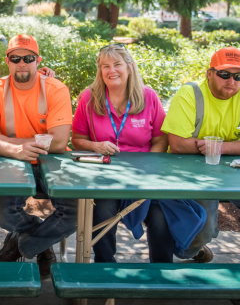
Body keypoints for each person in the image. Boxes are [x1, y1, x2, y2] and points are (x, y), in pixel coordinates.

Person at [71, 45, 205, 263]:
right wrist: (96, 146)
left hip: (144, 177)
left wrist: (148, 169)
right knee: (102, 209)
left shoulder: (148, 96)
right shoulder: (88, 98)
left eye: (117, 64)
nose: (111, 70)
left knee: (161, 216)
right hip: (105, 175)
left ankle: (160, 273)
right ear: (100, 71)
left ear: (130, 67)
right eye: (105, 66)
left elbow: (161, 139)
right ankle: (104, 267)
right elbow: (77, 140)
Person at [162, 47, 240, 270]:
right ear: (209, 73)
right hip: (192, 176)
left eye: (238, 76)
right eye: (224, 74)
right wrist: (238, 147)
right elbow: (178, 143)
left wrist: (217, 146)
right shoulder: (189, 93)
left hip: (236, 175)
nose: (231, 80)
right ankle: (188, 251)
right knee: (205, 228)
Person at [0, 34, 75, 275]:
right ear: (7, 61)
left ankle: (19, 245)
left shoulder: (56, 89)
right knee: (0, 213)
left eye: (28, 58)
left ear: (38, 60)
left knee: (76, 211)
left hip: (53, 161)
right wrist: (14, 149)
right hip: (13, 161)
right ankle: (43, 247)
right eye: (15, 58)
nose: (22, 63)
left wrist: (3, 141)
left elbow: (59, 142)